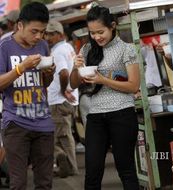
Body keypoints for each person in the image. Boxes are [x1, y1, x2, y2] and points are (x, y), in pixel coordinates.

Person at [70, 5, 140, 190]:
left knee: (126, 169)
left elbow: (134, 86)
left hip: (122, 113)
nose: (96, 37)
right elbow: (73, 83)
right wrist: (76, 67)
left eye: (100, 32)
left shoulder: (127, 49)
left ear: (113, 26)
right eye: (92, 33)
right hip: (95, 116)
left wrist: (103, 80)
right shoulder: (86, 50)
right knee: (92, 172)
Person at [0, 2, 55, 189]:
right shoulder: (4, 47)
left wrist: (48, 75)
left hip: (43, 121)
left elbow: (44, 84)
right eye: (34, 31)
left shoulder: (43, 46)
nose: (39, 36)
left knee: (45, 183)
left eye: (43, 31)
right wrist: (21, 68)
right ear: (20, 25)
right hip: (16, 122)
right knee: (18, 183)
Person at [44, 20, 79, 178]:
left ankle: (68, 165)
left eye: (52, 34)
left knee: (59, 135)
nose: (48, 37)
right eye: (47, 34)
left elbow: (64, 73)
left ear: (60, 35)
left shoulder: (58, 51)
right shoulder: (68, 47)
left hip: (59, 100)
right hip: (68, 98)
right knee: (63, 135)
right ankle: (65, 165)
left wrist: (64, 90)